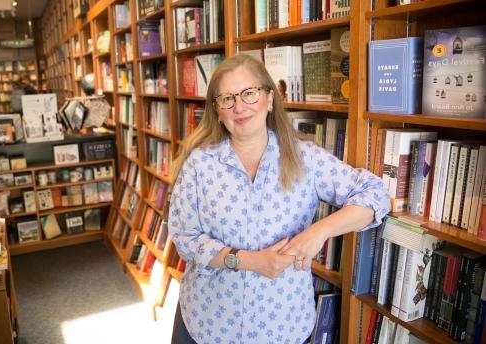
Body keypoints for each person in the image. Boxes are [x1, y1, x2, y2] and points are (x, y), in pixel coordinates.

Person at [167, 54, 391, 344]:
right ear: (217, 111)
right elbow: (184, 236)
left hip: (282, 326)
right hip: (208, 323)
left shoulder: (304, 158)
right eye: (227, 99)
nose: (239, 107)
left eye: (249, 93)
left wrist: (319, 231)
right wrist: (248, 261)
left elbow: (376, 194)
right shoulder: (199, 164)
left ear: (269, 99)